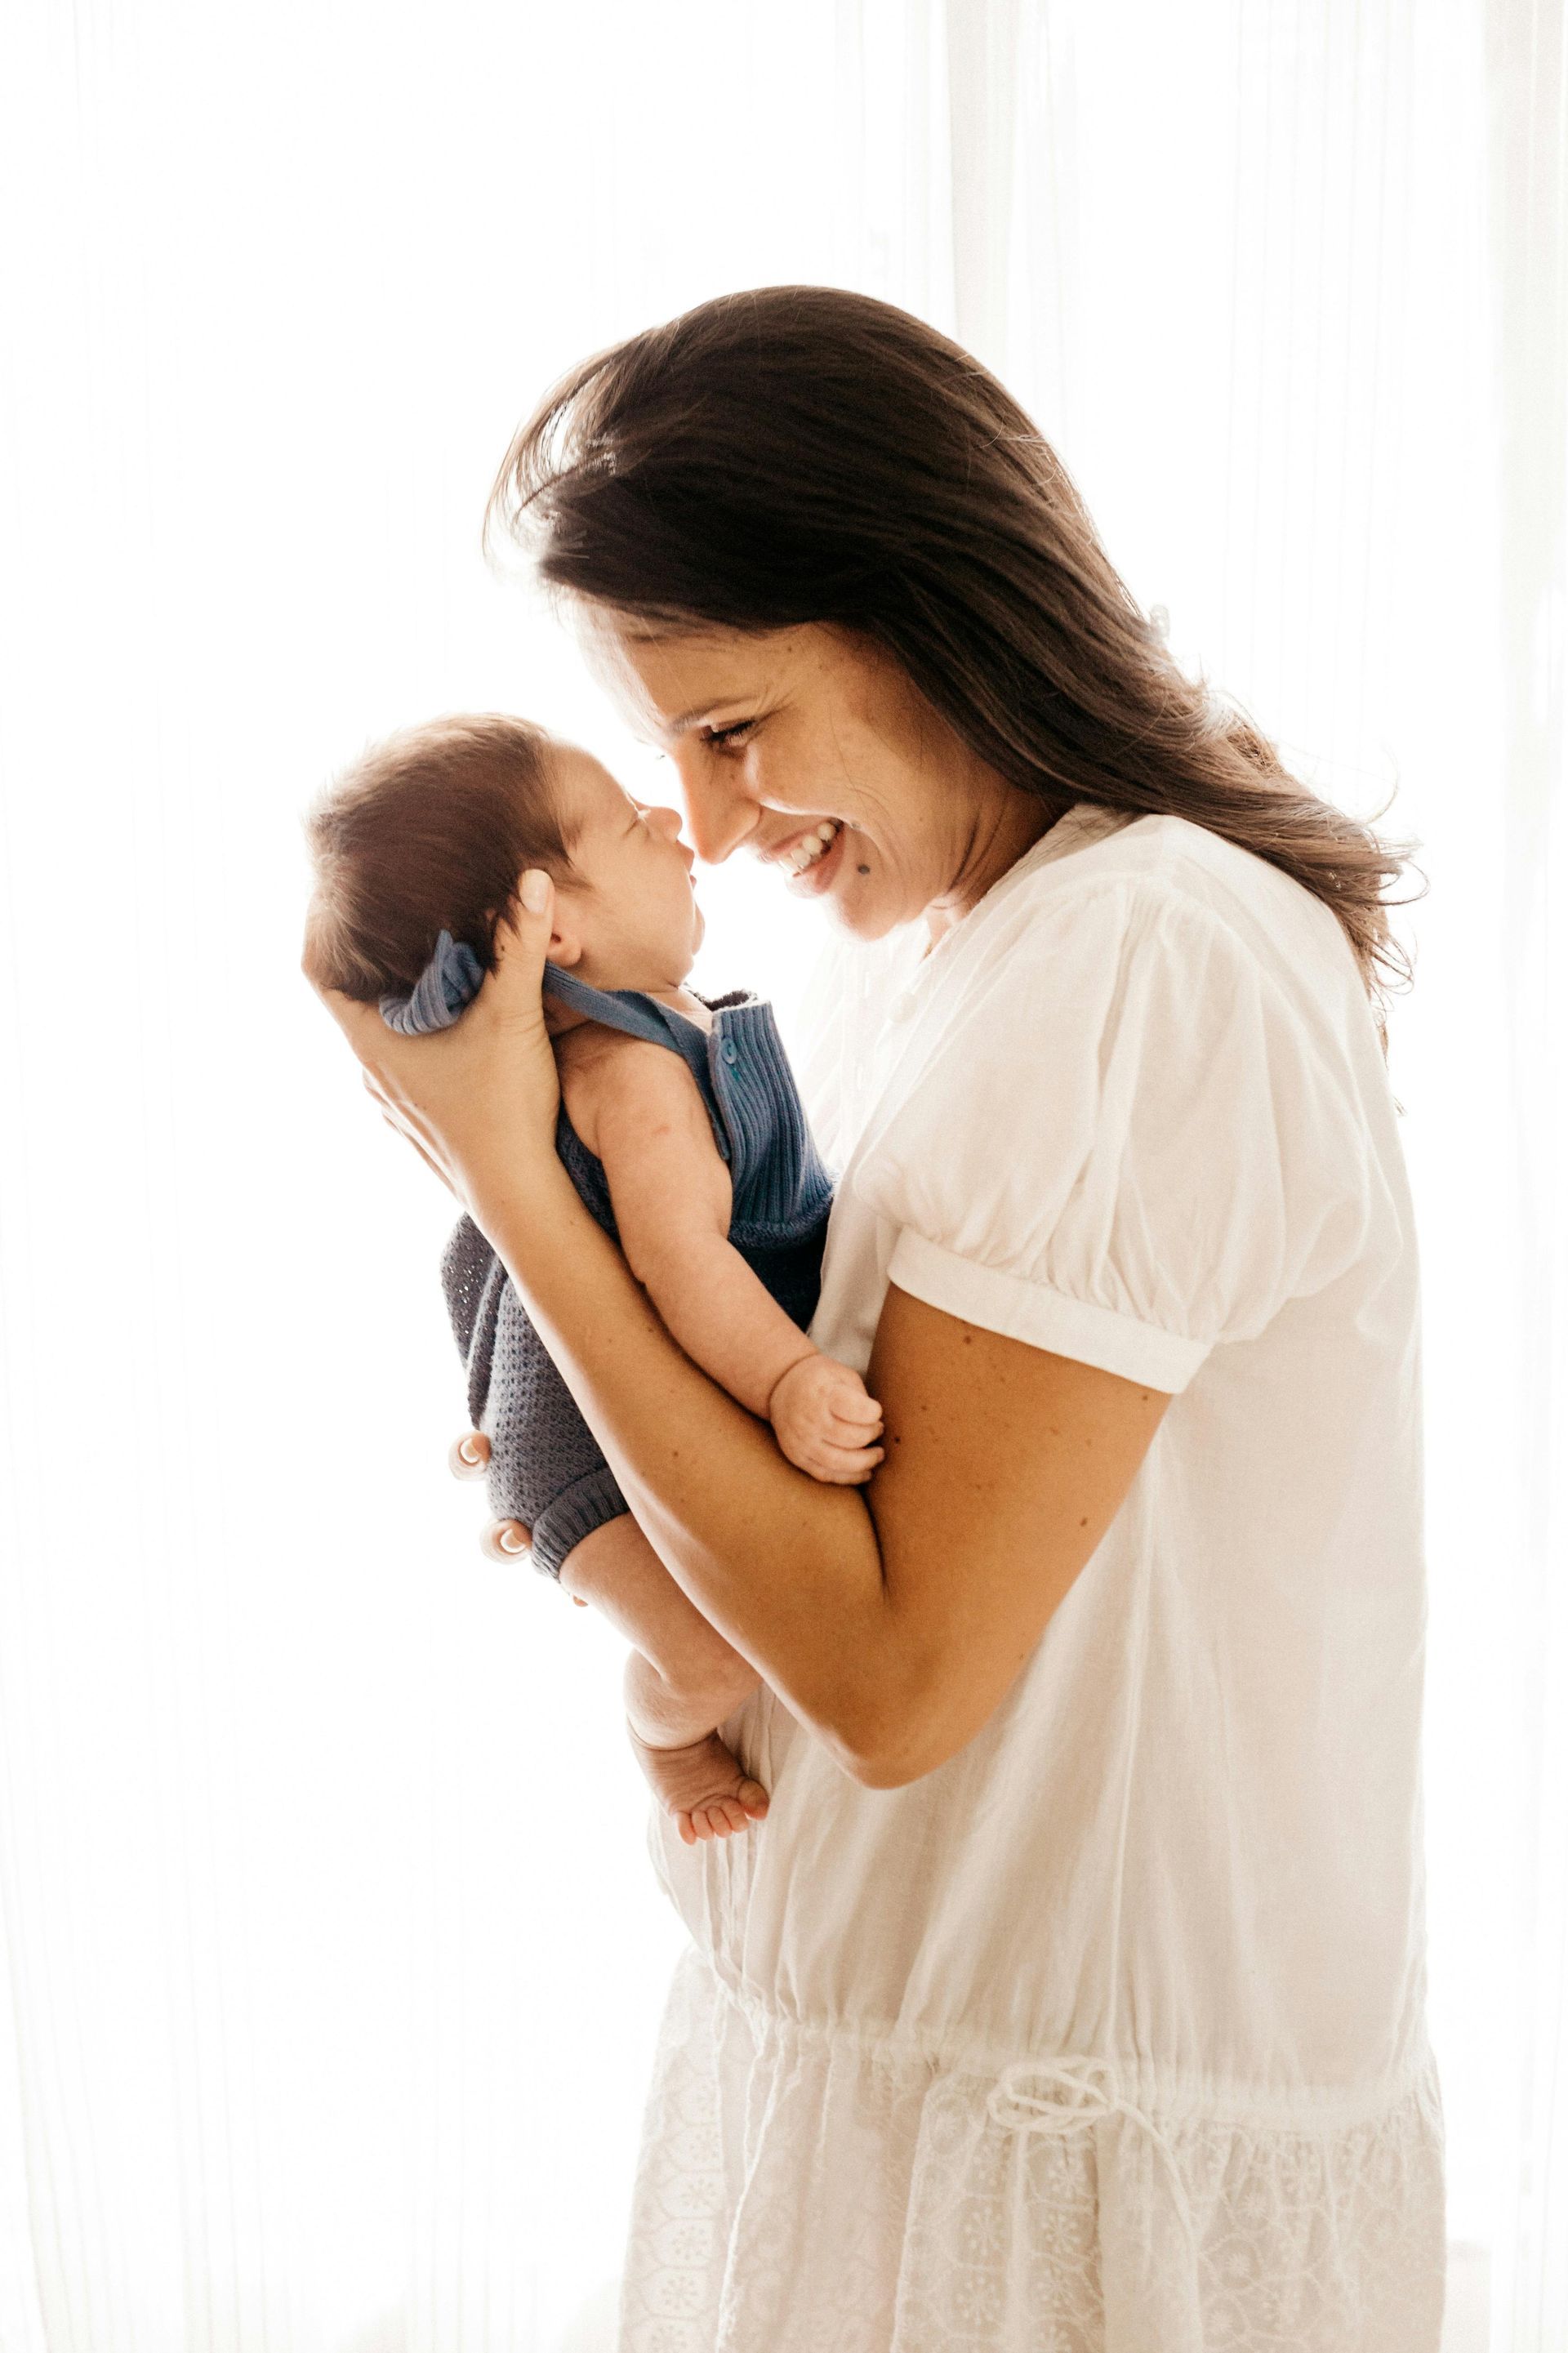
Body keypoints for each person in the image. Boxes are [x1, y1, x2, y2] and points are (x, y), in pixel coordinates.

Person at [313, 288, 1444, 2351]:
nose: (715, 826)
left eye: (735, 731)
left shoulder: (1147, 951)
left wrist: (501, 1180)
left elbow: (895, 1678)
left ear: (937, 608)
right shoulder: (953, 947)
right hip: (884, 2115)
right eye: (668, 754)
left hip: (1048, 2186)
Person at [301, 712, 883, 1843]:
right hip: (576, 1446)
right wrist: (788, 1381)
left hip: (609, 1390)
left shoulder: (659, 1032)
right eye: (629, 819)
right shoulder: (629, 1076)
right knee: (713, 1650)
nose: (673, 818)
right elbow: (685, 1268)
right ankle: (661, 1732)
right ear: (551, 925)